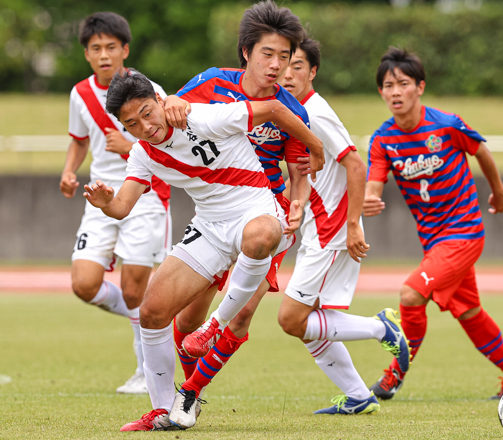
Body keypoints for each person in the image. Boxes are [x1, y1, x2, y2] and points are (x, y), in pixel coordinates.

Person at [83, 69, 322, 431]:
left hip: (255, 209)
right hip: (209, 229)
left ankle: (217, 325)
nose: (145, 127)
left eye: (148, 113)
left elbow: (273, 107)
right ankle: (165, 410)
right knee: (152, 312)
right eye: (132, 124)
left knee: (262, 235)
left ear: (160, 101)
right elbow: (121, 207)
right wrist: (105, 203)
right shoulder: (143, 155)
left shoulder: (203, 114)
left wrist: (317, 148)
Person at [162, 0, 324, 409]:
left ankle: (189, 396)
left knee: (241, 316)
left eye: (285, 57)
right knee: (186, 321)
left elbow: (300, 170)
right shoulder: (211, 84)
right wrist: (175, 104)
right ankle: (189, 388)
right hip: (216, 216)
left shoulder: (293, 110)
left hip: (265, 218)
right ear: (246, 52)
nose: (277, 66)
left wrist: (299, 203)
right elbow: (168, 113)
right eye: (267, 54)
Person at [364, 47, 503, 401]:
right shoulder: (382, 140)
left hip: (465, 232)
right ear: (381, 92)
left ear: (419, 87)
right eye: (388, 85)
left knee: (410, 294)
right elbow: (374, 186)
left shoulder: (447, 125)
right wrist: (368, 199)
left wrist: (499, 193)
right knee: (469, 312)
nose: (395, 92)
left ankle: (394, 375)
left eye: (403, 83)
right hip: (433, 241)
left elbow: (481, 150)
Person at [276, 36, 411, 415]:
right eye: (283, 64)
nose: (287, 73)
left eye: (297, 66)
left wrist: (352, 224)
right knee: (313, 320)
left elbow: (355, 163)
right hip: (319, 228)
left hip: (331, 232)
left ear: (313, 71)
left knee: (291, 319)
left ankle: (382, 328)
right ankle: (357, 396)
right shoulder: (291, 110)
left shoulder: (313, 113)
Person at [59, 11, 171, 394]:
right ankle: (157, 320)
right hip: (100, 197)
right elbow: (78, 139)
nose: (104, 55)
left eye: (111, 47)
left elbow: (168, 138)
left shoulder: (148, 88)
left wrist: (131, 146)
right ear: (86, 54)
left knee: (135, 287)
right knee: (84, 283)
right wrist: (69, 170)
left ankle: (146, 370)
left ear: (125, 49)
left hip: (146, 195)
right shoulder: (80, 94)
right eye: (96, 48)